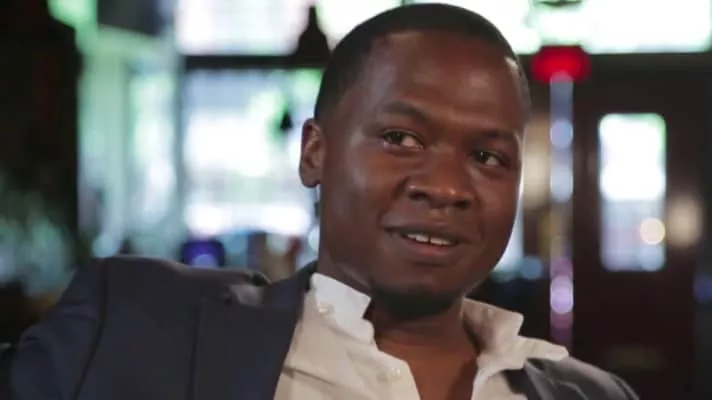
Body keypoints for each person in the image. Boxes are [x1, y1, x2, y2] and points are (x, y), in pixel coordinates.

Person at [11, 4, 638, 400]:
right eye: (400, 138)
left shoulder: (591, 394)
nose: (446, 187)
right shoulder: (141, 330)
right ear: (315, 152)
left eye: (487, 157)